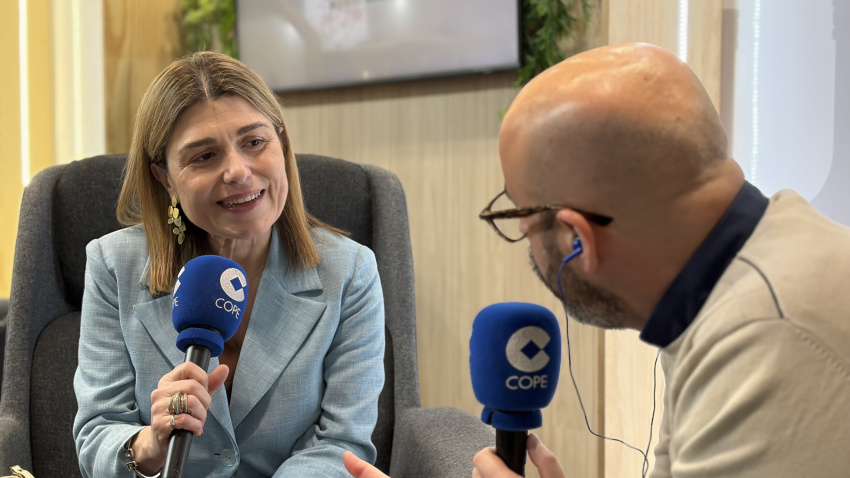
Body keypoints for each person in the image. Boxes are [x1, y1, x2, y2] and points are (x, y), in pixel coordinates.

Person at [345, 42, 850, 477]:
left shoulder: (766, 347)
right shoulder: (741, 278)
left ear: (577, 237)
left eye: (519, 213)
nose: (520, 231)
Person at [73, 51, 385, 477]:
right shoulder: (114, 266)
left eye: (254, 142)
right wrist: (150, 442)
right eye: (204, 156)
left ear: (282, 144)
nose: (237, 171)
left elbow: (342, 442)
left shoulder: (349, 272)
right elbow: (97, 432)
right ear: (166, 179)